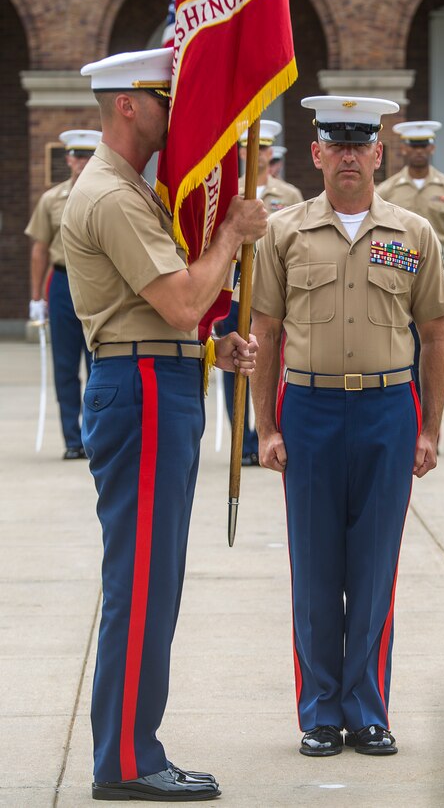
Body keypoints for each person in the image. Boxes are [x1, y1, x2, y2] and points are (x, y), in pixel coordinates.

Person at [61, 48, 267, 801]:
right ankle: (124, 762)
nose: (175, 112)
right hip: (143, 387)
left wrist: (213, 343)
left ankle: (133, 747)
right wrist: (232, 237)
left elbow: (167, 316)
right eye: (161, 97)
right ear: (125, 104)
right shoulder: (113, 194)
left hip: (158, 375)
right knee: (142, 581)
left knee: (154, 580)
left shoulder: (129, 191)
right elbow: (180, 301)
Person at [249, 95, 444, 757]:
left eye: (359, 144)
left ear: (379, 153)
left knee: (374, 567)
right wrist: (265, 426)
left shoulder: (412, 235)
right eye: (334, 145)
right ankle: (319, 713)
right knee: (314, 568)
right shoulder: (283, 233)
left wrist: (431, 430)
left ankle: (367, 708)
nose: (347, 156)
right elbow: (266, 331)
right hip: (308, 412)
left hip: (387, 412)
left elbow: (435, 334)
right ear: (315, 154)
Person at [218, 120, 303, 465]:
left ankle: (268, 429)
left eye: (265, 148)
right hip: (237, 279)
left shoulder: (290, 195)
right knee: (236, 357)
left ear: (271, 153)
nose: (258, 153)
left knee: (272, 356)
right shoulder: (229, 193)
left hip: (276, 278)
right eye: (252, 148)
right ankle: (242, 438)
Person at [26, 129, 101, 459]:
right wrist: (36, 298)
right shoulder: (51, 199)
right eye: (77, 156)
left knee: (98, 361)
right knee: (65, 364)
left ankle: (94, 436)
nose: (82, 163)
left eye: (88, 156)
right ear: (69, 159)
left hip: (96, 285)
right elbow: (40, 249)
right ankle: (72, 438)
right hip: (61, 282)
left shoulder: (105, 195)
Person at [376, 120, 444, 314]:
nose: (419, 151)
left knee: (438, 337)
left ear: (432, 148)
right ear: (403, 149)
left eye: (423, 145)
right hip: (398, 270)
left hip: (438, 271)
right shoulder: (386, 190)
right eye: (413, 145)